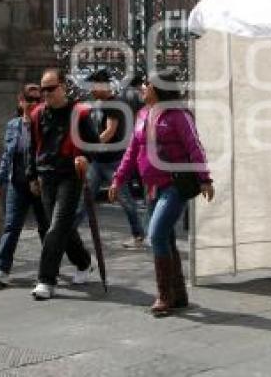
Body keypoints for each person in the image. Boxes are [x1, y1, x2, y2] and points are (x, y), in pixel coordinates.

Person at [109, 70, 213, 317]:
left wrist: (205, 178)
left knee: (156, 234)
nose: (142, 88)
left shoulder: (178, 115)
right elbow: (132, 151)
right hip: (151, 186)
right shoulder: (143, 114)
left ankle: (164, 296)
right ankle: (178, 295)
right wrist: (117, 179)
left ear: (158, 88)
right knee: (164, 237)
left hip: (175, 184)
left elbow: (194, 146)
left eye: (146, 84)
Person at [27, 68, 98, 300]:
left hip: (70, 176)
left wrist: (85, 156)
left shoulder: (80, 113)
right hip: (46, 176)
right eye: (43, 89)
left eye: (50, 88)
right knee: (62, 227)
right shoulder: (37, 114)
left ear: (63, 87)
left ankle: (46, 280)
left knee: (56, 227)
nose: (45, 93)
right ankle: (84, 261)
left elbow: (95, 144)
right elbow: (31, 147)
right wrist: (32, 175)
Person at [0, 84, 49, 288]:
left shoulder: (46, 122)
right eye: (29, 99)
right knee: (12, 226)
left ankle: (53, 268)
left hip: (40, 183)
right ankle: (2, 269)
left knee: (46, 229)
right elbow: (7, 156)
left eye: (37, 100)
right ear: (20, 102)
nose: (32, 104)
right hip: (17, 182)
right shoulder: (13, 125)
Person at [77, 68, 145, 249]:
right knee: (85, 198)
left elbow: (109, 132)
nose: (90, 90)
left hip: (113, 161)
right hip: (98, 162)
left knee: (126, 200)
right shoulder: (98, 104)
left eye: (93, 86)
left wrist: (90, 146)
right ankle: (69, 234)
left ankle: (138, 236)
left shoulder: (113, 104)